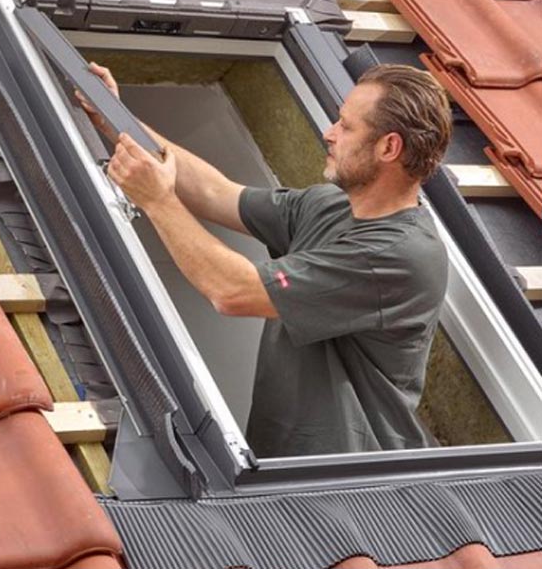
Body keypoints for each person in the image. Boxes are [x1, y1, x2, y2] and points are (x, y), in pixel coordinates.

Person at [80, 62, 452, 457]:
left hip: (342, 483)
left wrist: (157, 201)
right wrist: (115, 119)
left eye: (345, 127)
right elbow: (215, 192)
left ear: (388, 147)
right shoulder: (330, 206)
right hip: (283, 461)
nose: (329, 133)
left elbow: (233, 292)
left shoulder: (398, 255)